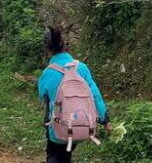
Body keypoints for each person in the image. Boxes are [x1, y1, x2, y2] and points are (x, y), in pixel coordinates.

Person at [37, 26, 110, 163]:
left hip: (57, 129)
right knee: (67, 154)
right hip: (79, 127)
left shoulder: (48, 72)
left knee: (53, 153)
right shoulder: (81, 68)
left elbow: (42, 97)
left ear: (47, 49)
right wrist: (104, 119)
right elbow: (95, 95)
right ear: (65, 45)